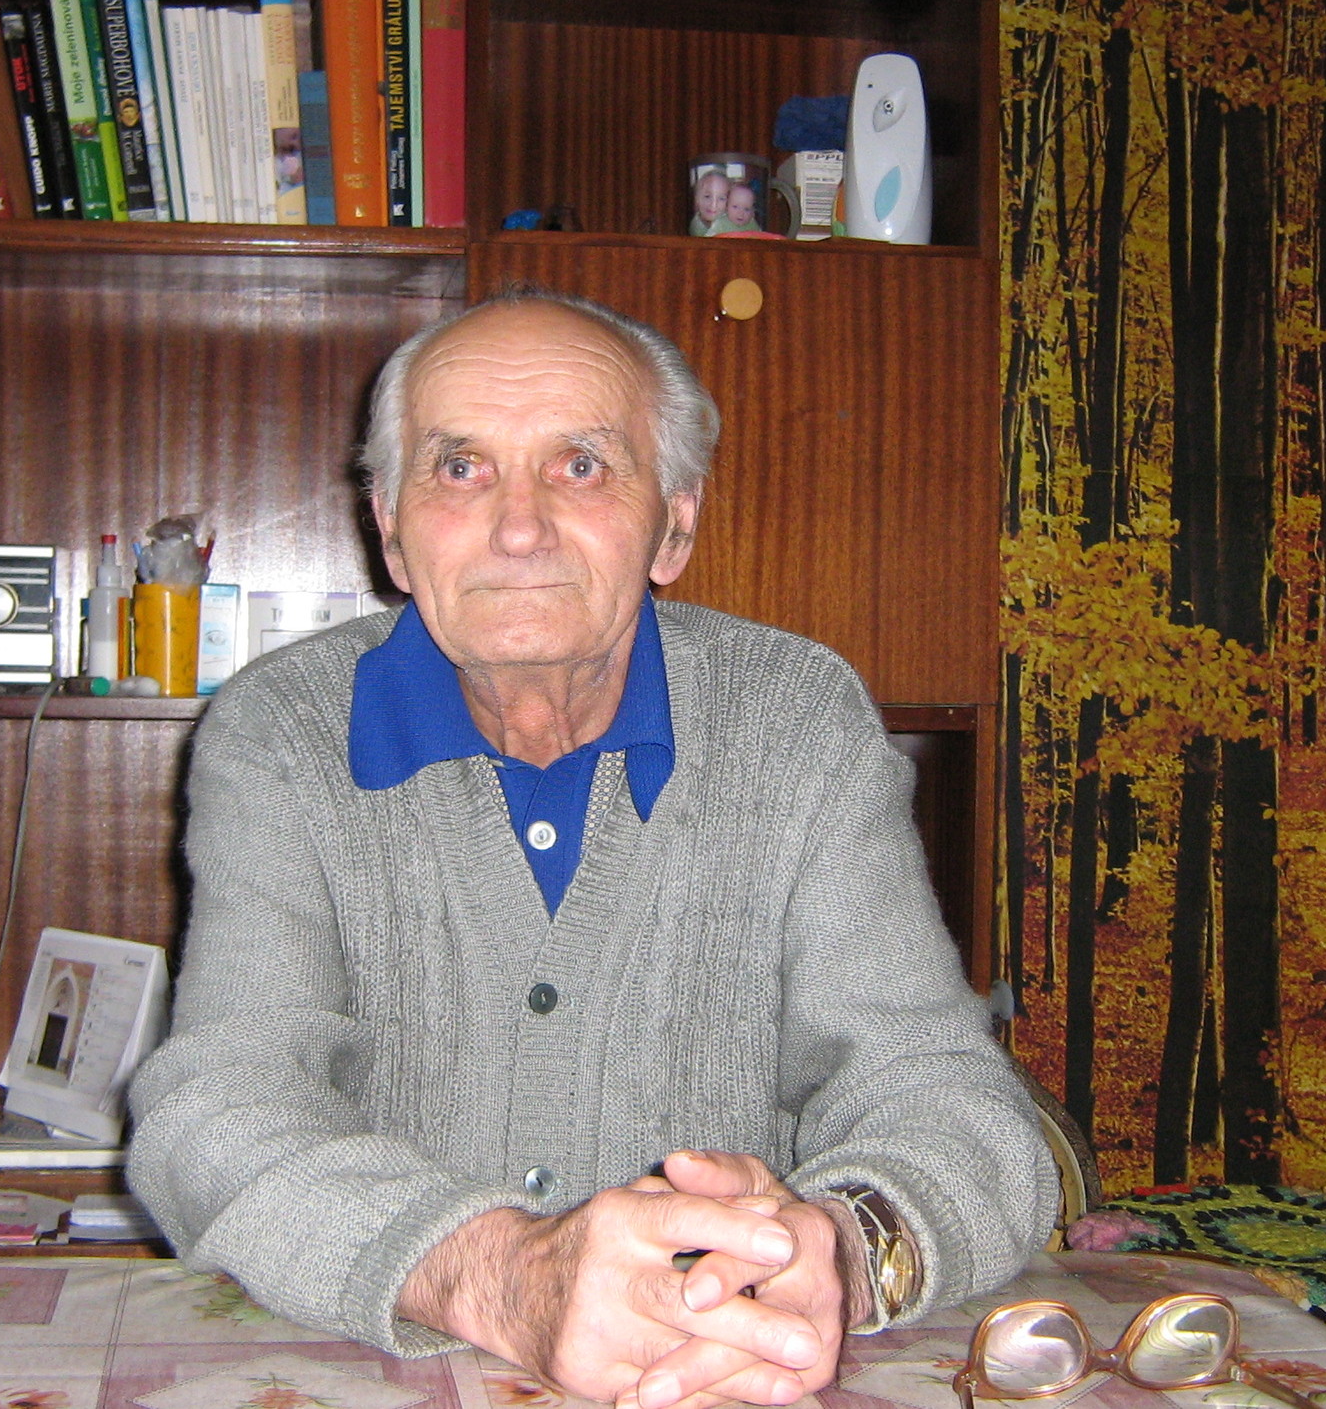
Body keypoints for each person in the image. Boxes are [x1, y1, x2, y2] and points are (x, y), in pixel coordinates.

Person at [127, 290, 1055, 1409]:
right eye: (459, 469)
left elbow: (944, 1095)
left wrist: (837, 1253)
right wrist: (498, 1275)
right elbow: (216, 1106)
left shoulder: (796, 719)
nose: (518, 528)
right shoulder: (282, 732)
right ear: (391, 531)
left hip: (728, 1374)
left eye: (580, 466)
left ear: (674, 526)